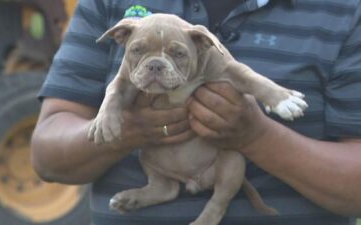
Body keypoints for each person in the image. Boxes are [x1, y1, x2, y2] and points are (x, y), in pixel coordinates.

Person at [31, 0, 361, 224]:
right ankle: (157, 188)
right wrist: (127, 129)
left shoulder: (345, 10)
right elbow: (47, 154)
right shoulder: (107, 5)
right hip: (158, 169)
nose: (157, 67)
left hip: (222, 171)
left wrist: (258, 137)